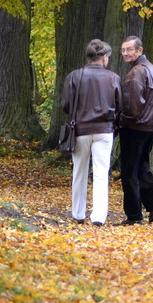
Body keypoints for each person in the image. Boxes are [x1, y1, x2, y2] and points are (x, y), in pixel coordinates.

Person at [61, 39, 121, 226]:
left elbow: (66, 105)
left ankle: (78, 213)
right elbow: (119, 105)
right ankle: (98, 216)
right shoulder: (113, 78)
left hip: (80, 129)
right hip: (104, 129)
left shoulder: (74, 76)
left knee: (79, 171)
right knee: (101, 173)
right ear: (103, 57)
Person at [117, 36, 153, 225]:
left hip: (134, 128)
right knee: (143, 167)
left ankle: (134, 216)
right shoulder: (152, 69)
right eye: (123, 50)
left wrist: (122, 121)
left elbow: (132, 106)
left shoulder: (136, 73)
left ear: (139, 50)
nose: (125, 53)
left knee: (130, 172)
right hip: (150, 127)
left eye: (129, 50)